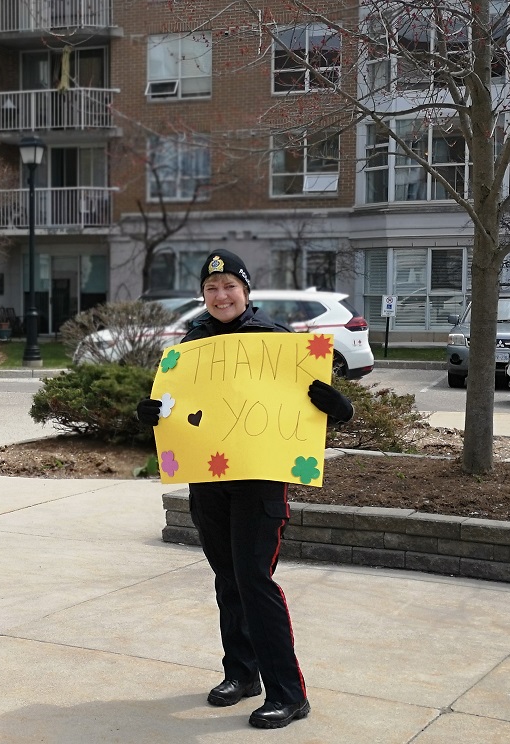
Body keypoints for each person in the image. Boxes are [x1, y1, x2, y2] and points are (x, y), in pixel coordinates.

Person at [136, 250, 353, 730]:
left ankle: (288, 693)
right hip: (209, 482)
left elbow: (309, 412)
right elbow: (174, 406)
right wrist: (151, 413)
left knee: (256, 581)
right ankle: (242, 674)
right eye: (211, 288)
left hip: (259, 481)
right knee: (227, 579)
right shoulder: (190, 345)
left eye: (229, 286)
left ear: (246, 291)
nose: (220, 295)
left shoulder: (277, 341)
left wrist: (339, 406)